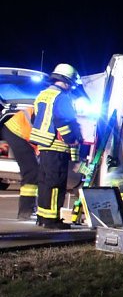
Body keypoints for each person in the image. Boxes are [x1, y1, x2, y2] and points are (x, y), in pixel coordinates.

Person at [29, 63, 84, 229]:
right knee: (55, 183)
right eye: (72, 84)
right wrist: (72, 138)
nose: (72, 88)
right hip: (57, 146)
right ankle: (51, 220)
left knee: (44, 183)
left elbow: (35, 118)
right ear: (67, 81)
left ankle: (42, 216)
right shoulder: (62, 97)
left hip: (44, 146)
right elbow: (63, 120)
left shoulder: (43, 95)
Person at [1, 106, 39, 219]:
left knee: (36, 171)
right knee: (32, 172)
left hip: (20, 130)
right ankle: (26, 211)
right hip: (16, 132)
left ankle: (30, 209)